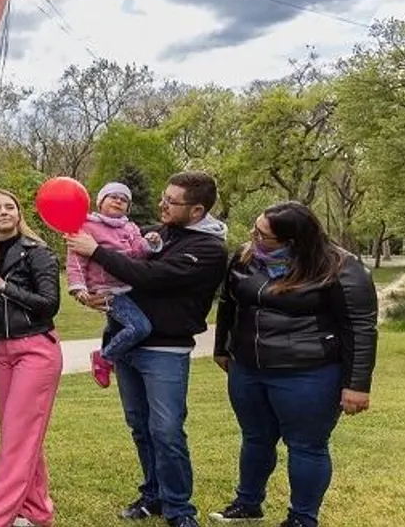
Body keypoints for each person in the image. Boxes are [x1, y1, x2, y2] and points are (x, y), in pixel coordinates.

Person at [65, 171, 229, 527]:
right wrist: (91, 291)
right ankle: (152, 496)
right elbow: (126, 268)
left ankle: (179, 510)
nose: (162, 204)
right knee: (139, 426)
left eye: (171, 201)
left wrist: (97, 251)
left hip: (165, 350)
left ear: (197, 209)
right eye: (163, 197)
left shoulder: (208, 248)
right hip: (126, 342)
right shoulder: (163, 232)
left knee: (167, 431)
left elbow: (150, 277)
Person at [209, 202, 377, 527]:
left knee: (306, 446)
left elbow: (360, 327)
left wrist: (357, 385)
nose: (253, 237)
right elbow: (228, 303)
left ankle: (302, 518)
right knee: (255, 437)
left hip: (309, 373)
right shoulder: (245, 256)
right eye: (255, 229)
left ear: (293, 241)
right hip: (248, 368)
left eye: (263, 234)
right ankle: (248, 505)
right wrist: (222, 348)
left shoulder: (340, 267)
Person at [0, 191, 62, 527]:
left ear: (18, 213)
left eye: (9, 207)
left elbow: (48, 304)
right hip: (1, 350)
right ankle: (38, 511)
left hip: (35, 348)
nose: (3, 212)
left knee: (18, 438)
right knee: (20, 435)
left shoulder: (37, 252)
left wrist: (2, 285)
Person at [66, 182, 159, 388]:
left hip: (127, 287)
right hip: (106, 291)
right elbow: (76, 262)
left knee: (122, 327)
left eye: (124, 199)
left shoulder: (131, 227)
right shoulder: (87, 226)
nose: (118, 200)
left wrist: (150, 243)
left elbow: (138, 253)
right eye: (113, 197)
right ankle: (105, 357)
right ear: (100, 202)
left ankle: (112, 354)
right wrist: (79, 289)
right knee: (140, 327)